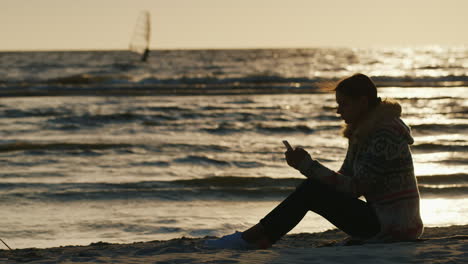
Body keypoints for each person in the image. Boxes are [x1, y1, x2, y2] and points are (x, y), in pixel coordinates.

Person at [205, 73, 424, 249]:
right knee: (314, 188)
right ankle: (260, 237)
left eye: (344, 104)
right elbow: (345, 179)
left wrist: (308, 166)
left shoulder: (384, 134)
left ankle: (252, 237)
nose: (339, 111)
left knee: (312, 189)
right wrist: (306, 167)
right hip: (382, 220)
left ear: (363, 102)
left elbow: (355, 188)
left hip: (395, 227)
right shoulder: (362, 133)